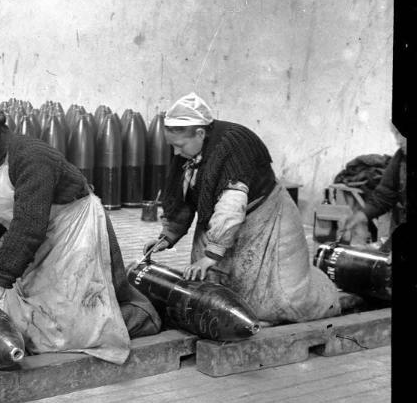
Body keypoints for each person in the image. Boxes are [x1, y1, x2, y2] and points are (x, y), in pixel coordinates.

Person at [0, 100, 162, 366]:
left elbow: (28, 225)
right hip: (43, 236)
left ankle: (143, 316)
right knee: (31, 318)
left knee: (70, 328)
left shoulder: (30, 156)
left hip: (76, 231)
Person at [144, 92, 340, 324]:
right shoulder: (188, 150)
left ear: (199, 133)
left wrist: (210, 255)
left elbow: (231, 206)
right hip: (219, 220)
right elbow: (183, 197)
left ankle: (324, 299)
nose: (176, 153)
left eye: (179, 146)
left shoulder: (234, 145)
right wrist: (167, 236)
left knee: (283, 299)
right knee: (208, 289)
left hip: (266, 217)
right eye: (172, 146)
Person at [339, 123, 406, 253]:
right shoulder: (400, 158)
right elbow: (384, 196)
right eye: (396, 134)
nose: (398, 141)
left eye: (401, 135)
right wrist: (359, 216)